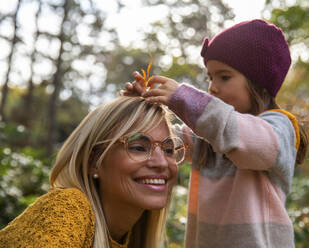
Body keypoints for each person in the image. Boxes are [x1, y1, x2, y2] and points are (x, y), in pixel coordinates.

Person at [125, 19, 308, 248]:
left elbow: (239, 136)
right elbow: (168, 143)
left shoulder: (278, 128)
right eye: (210, 77)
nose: (212, 87)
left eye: (224, 76)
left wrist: (185, 99)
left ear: (259, 83)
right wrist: (141, 112)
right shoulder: (210, 134)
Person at [0, 96, 186, 248]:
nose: (162, 162)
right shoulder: (68, 207)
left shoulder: (131, 237)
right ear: (93, 161)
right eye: (138, 147)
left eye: (169, 150)